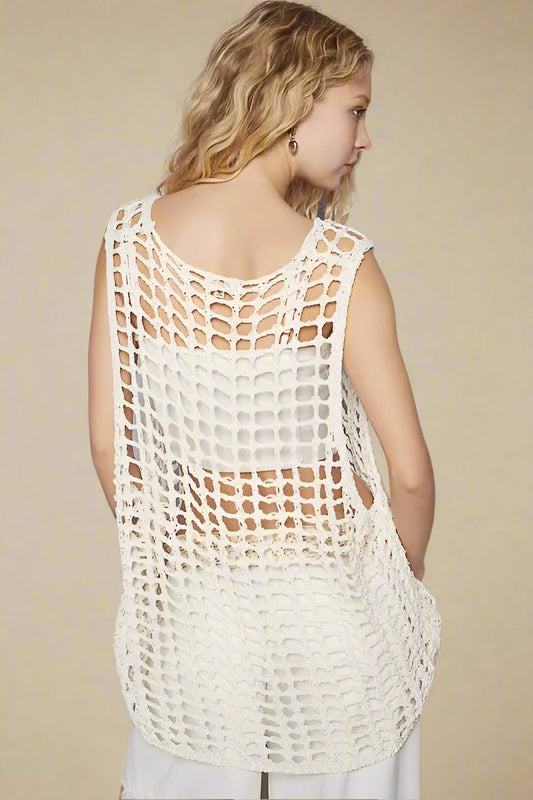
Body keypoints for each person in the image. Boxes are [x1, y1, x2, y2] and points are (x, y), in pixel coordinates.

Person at [88, 2, 442, 798]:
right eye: (354, 109)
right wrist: (402, 574)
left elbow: (112, 445)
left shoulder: (129, 241)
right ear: (293, 97)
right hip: (336, 607)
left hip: (199, 608)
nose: (363, 138)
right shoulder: (340, 262)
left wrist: (177, 553)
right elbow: (411, 474)